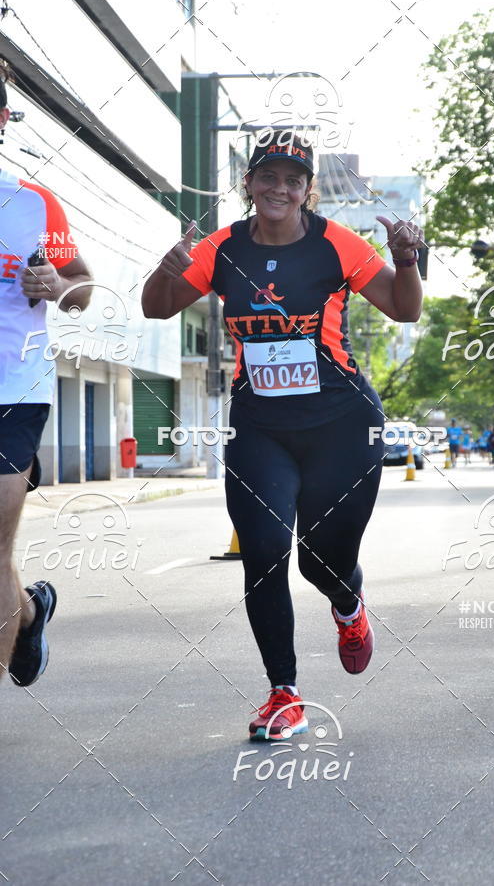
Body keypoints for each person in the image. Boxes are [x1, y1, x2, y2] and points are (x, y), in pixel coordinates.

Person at [142, 129, 424, 739]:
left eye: (292, 179)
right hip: (259, 426)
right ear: (249, 184)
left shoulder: (337, 245)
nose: (279, 187)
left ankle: (347, 605)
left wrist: (406, 261)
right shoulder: (220, 248)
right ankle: (283, 694)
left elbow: (404, 311)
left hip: (342, 424)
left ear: (307, 190)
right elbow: (156, 308)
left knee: (321, 563)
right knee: (265, 553)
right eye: (267, 176)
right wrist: (164, 270)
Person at [0, 65, 93, 688]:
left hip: (14, 394)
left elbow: (83, 285)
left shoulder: (33, 205)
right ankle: (28, 615)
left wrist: (56, 285)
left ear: (3, 121)